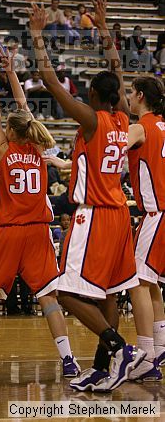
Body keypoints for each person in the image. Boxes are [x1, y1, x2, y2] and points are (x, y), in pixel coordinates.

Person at [29, 0, 145, 392]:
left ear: (94, 95)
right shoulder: (123, 118)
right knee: (109, 292)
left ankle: (118, 348)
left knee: (62, 291)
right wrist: (105, 28)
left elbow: (49, 82)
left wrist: (37, 37)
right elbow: (118, 70)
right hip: (119, 215)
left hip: (94, 214)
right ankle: (101, 367)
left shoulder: (93, 120)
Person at [0, 41, 80, 378]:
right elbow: (22, 108)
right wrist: (11, 72)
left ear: (9, 130)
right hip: (38, 231)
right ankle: (68, 359)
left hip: (8, 231)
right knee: (48, 297)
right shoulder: (37, 147)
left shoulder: (1, 150)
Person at [125, 76, 165, 380]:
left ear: (139, 96)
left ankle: (147, 356)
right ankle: (161, 346)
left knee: (137, 281)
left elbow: (109, 149)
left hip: (157, 213)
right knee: (150, 282)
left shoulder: (140, 127)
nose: (127, 97)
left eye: (130, 93)